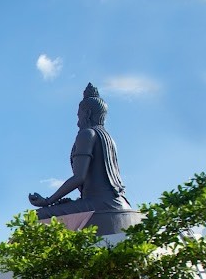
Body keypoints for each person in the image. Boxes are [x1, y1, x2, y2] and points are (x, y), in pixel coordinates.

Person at [28, 83, 131, 218]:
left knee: (37, 216)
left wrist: (48, 201)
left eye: (78, 116)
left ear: (87, 114)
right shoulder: (109, 138)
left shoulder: (87, 134)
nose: (78, 122)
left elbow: (79, 177)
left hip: (100, 204)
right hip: (120, 202)